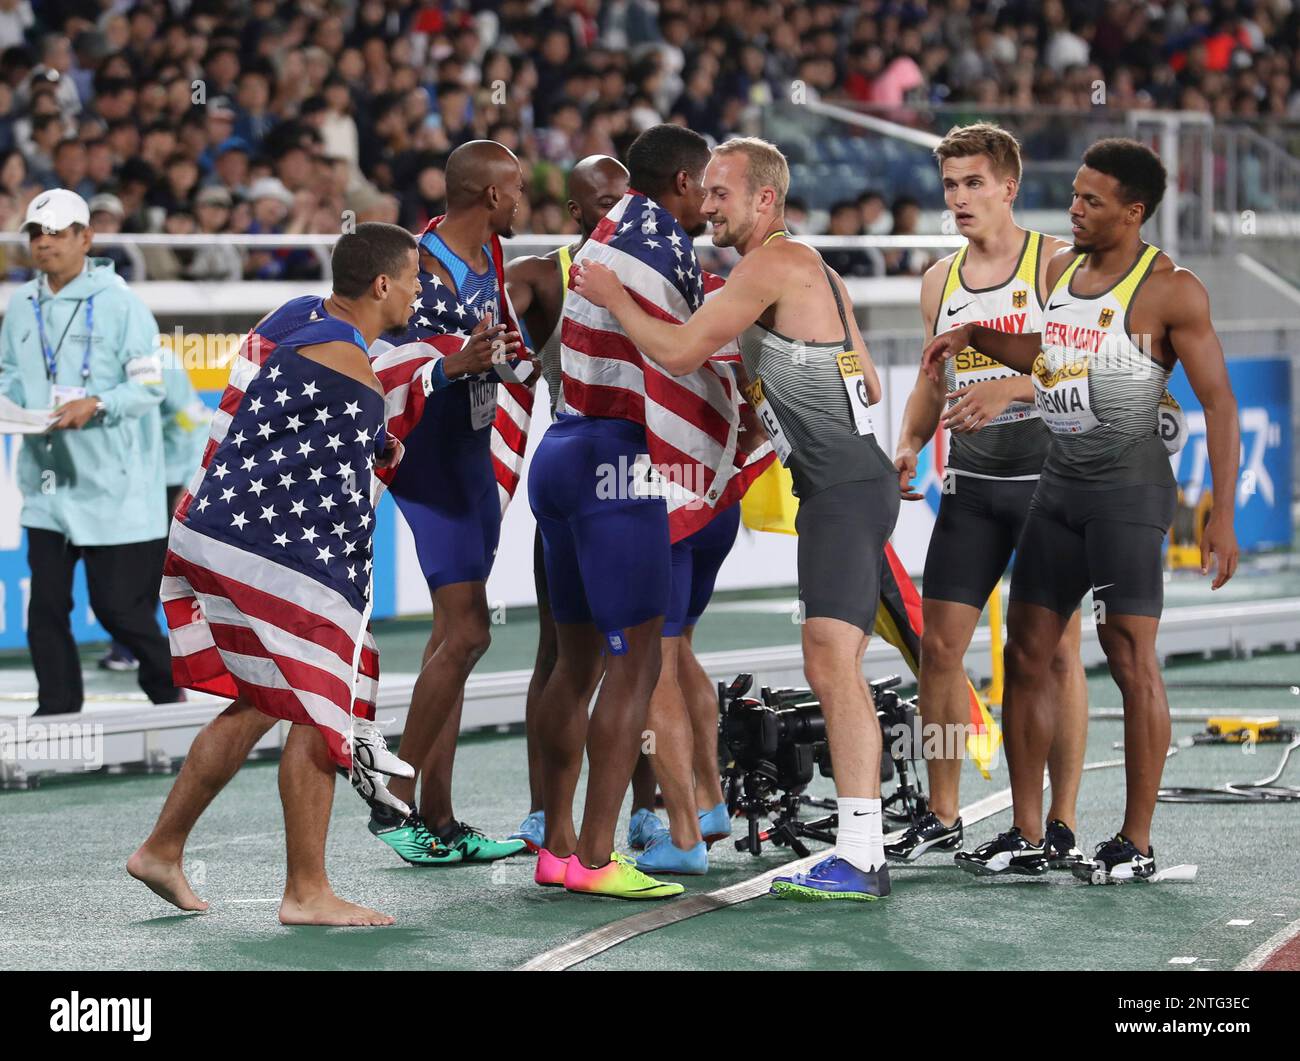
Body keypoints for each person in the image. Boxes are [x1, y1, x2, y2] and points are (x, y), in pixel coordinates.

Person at [574, 136, 899, 902]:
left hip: (842, 488)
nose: (707, 205)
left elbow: (681, 353)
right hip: (845, 482)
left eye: (721, 193)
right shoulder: (804, 266)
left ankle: (861, 852)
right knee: (833, 660)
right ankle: (862, 848)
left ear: (764, 200)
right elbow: (869, 385)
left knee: (831, 663)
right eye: (706, 191)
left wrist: (615, 296)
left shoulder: (771, 266)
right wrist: (772, 397)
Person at [921, 138, 1240, 884]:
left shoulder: (1172, 289)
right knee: (1025, 654)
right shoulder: (1063, 268)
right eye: (1073, 195)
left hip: (1126, 492)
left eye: (1092, 201)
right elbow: (1049, 348)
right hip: (1058, 488)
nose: (1075, 209)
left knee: (1130, 661)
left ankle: (1135, 839)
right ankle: (1031, 831)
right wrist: (977, 335)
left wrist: (1220, 511)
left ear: (1133, 212)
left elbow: (1220, 401)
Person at [127, 222, 448, 926]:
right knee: (322, 699)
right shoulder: (359, 383)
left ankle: (161, 848)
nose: (420, 290)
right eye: (415, 279)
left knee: (262, 700)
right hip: (262, 553)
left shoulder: (295, 313)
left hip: (212, 525)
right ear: (382, 284)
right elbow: (342, 507)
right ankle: (306, 891)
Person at [529, 123, 742, 900]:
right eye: (709, 187)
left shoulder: (610, 231)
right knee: (637, 661)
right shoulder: (659, 250)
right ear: (681, 183)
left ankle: (554, 845)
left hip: (561, 452)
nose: (713, 203)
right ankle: (593, 856)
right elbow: (682, 356)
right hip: (618, 463)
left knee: (574, 661)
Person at [888, 123, 1088, 872]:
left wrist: (1011, 383)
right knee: (938, 650)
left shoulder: (1055, 265)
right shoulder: (939, 280)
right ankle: (943, 813)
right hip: (971, 488)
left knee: (1054, 656)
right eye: (950, 185)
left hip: (1049, 485)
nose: (960, 198)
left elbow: (1095, 369)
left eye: (975, 183)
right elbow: (931, 379)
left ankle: (1058, 821)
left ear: (1010, 184)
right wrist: (907, 443)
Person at [366, 140, 530, 866]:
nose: (525, 200)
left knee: (451, 643)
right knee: (467, 633)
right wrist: (447, 362)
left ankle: (439, 815)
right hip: (429, 463)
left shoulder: (489, 255)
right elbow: (372, 357)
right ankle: (389, 799)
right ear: (492, 195)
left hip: (470, 456)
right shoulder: (414, 266)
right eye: (518, 188)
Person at [0, 188, 182, 715]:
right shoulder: (21, 306)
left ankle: (170, 693)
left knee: (120, 612)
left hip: (114, 486)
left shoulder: (122, 304)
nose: (44, 243)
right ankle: (56, 709)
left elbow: (149, 387)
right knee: (47, 606)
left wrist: (97, 403)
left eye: (56, 232)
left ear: (87, 238)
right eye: (36, 233)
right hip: (48, 482)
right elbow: (11, 376)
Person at [503, 153, 629, 853]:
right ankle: (544, 814)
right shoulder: (542, 274)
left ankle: (645, 809)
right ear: (577, 212)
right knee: (564, 653)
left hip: (627, 475)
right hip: (584, 467)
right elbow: (494, 307)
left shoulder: (650, 262)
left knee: (640, 651)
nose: (617, 211)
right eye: (602, 201)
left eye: (624, 197)